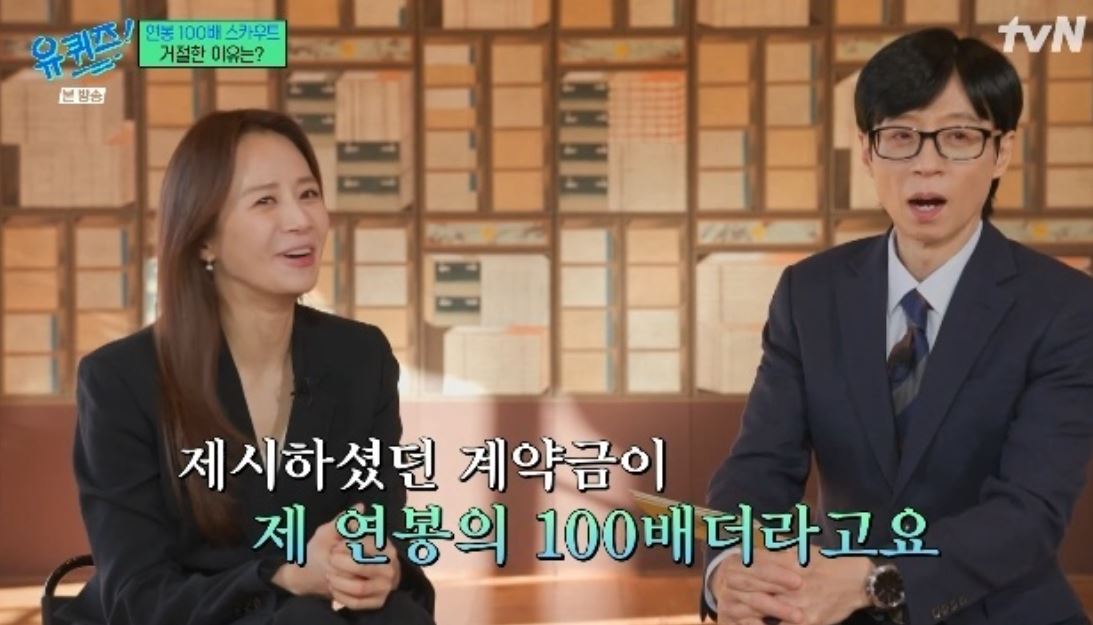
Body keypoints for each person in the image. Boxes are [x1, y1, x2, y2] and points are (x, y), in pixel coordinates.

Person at [702, 28, 1093, 625]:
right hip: (831, 612)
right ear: (867, 150)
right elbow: (761, 465)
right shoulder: (810, 293)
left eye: (958, 137)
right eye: (901, 136)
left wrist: (877, 579)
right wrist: (731, 565)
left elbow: (1029, 509)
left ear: (1001, 152)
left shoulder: (1064, 306)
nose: (925, 164)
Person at [60, 109, 435, 625]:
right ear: (205, 238)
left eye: (308, 194)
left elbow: (386, 529)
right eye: (265, 201)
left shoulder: (360, 358)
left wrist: (376, 566)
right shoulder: (120, 379)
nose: (300, 220)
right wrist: (281, 574)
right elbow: (137, 596)